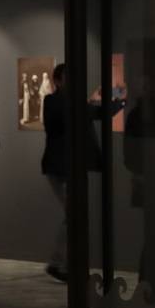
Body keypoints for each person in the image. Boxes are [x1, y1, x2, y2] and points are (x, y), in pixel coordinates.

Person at [41, 61, 124, 282]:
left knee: (74, 215)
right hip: (61, 168)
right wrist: (107, 103)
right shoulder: (54, 101)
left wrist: (118, 102)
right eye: (68, 77)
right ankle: (59, 263)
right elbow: (88, 113)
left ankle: (62, 263)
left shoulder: (73, 104)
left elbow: (98, 113)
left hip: (70, 167)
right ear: (58, 81)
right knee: (73, 215)